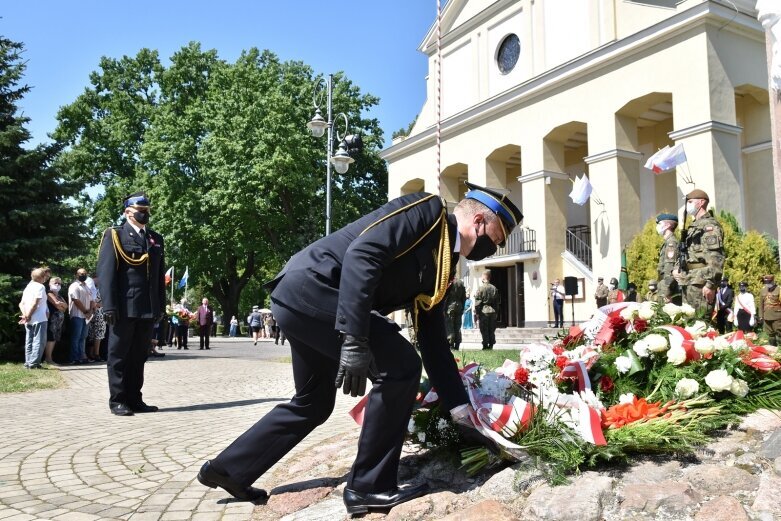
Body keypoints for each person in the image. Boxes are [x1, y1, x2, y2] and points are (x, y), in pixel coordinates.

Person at [197, 182, 522, 513]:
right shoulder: (429, 213)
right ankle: (369, 487)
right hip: (314, 288)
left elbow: (433, 339)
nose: (493, 249)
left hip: (304, 299)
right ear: (480, 221)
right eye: (495, 239)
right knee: (401, 368)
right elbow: (362, 254)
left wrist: (460, 410)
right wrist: (354, 339)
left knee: (313, 403)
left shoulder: (444, 263)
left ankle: (228, 469)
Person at [97, 192, 166, 416]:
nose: (144, 214)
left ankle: (135, 398)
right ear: (128, 212)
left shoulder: (155, 238)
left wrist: (160, 306)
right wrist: (109, 306)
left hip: (147, 307)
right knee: (118, 355)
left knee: (139, 356)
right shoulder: (115, 235)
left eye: (147, 211)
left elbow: (158, 277)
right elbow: (106, 273)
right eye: (140, 210)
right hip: (123, 307)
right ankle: (118, 400)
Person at [675, 189, 724, 316]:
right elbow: (687, 253)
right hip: (689, 280)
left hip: (701, 284)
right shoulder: (694, 226)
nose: (687, 205)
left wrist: (711, 284)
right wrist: (677, 268)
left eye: (690, 202)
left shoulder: (709, 226)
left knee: (701, 325)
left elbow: (716, 258)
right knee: (689, 324)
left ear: (701, 202)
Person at [20, 267, 49, 369]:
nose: (46, 278)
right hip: (39, 318)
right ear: (41, 277)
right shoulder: (40, 287)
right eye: (45, 276)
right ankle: (34, 363)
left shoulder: (28, 287)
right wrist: (28, 315)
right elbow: (35, 303)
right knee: (39, 341)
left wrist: (25, 315)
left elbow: (21, 304)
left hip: (28, 319)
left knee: (29, 340)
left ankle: (28, 362)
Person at [68, 268, 93, 364]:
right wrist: (85, 311)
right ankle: (74, 358)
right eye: (81, 273)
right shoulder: (74, 286)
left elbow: (91, 300)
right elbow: (76, 300)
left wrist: (90, 311)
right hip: (77, 315)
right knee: (76, 337)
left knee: (83, 337)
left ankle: (81, 356)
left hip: (86, 316)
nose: (83, 275)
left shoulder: (86, 286)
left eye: (85, 273)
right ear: (76, 275)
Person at [656, 213, 682, 305]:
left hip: (669, 289)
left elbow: (669, 268)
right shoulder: (668, 242)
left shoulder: (671, 243)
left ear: (667, 225)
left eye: (659, 224)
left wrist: (666, 291)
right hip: (664, 285)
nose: (657, 226)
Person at [475, 269, 502, 349]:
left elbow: (478, 302)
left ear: (484, 277)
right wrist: (496, 312)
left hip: (484, 311)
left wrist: (477, 312)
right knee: (491, 329)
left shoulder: (481, 288)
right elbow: (497, 302)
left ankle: (485, 344)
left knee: (484, 329)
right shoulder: (494, 288)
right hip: (492, 311)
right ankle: (491, 344)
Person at [44, 276, 68, 364]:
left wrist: (61, 305)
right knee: (50, 338)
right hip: (52, 320)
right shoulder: (49, 293)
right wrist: (60, 305)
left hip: (59, 321)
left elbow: (66, 307)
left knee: (54, 338)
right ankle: (48, 358)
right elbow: (57, 304)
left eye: (59, 283)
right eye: (55, 283)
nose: (57, 285)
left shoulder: (60, 296)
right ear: (50, 284)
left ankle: (50, 358)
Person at [87, 276, 107, 361]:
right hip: (97, 313)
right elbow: (96, 303)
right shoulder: (95, 290)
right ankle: (96, 354)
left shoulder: (98, 289)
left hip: (97, 313)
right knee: (97, 334)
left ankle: (93, 354)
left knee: (95, 334)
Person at [444, 276, 466, 350]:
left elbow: (446, 297)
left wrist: (443, 308)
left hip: (450, 306)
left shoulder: (449, 282)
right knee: (458, 326)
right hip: (459, 305)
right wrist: (462, 306)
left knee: (450, 326)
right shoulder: (461, 283)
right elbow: (464, 297)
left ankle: (451, 344)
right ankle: (457, 343)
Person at [759, 275, 781, 345]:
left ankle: (780, 349)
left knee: (779, 333)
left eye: (769, 282)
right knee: (770, 333)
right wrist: (761, 315)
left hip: (777, 316)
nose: (767, 284)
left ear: (773, 281)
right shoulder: (763, 290)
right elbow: (761, 304)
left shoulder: (779, 289)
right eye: (766, 282)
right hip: (766, 316)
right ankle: (773, 349)